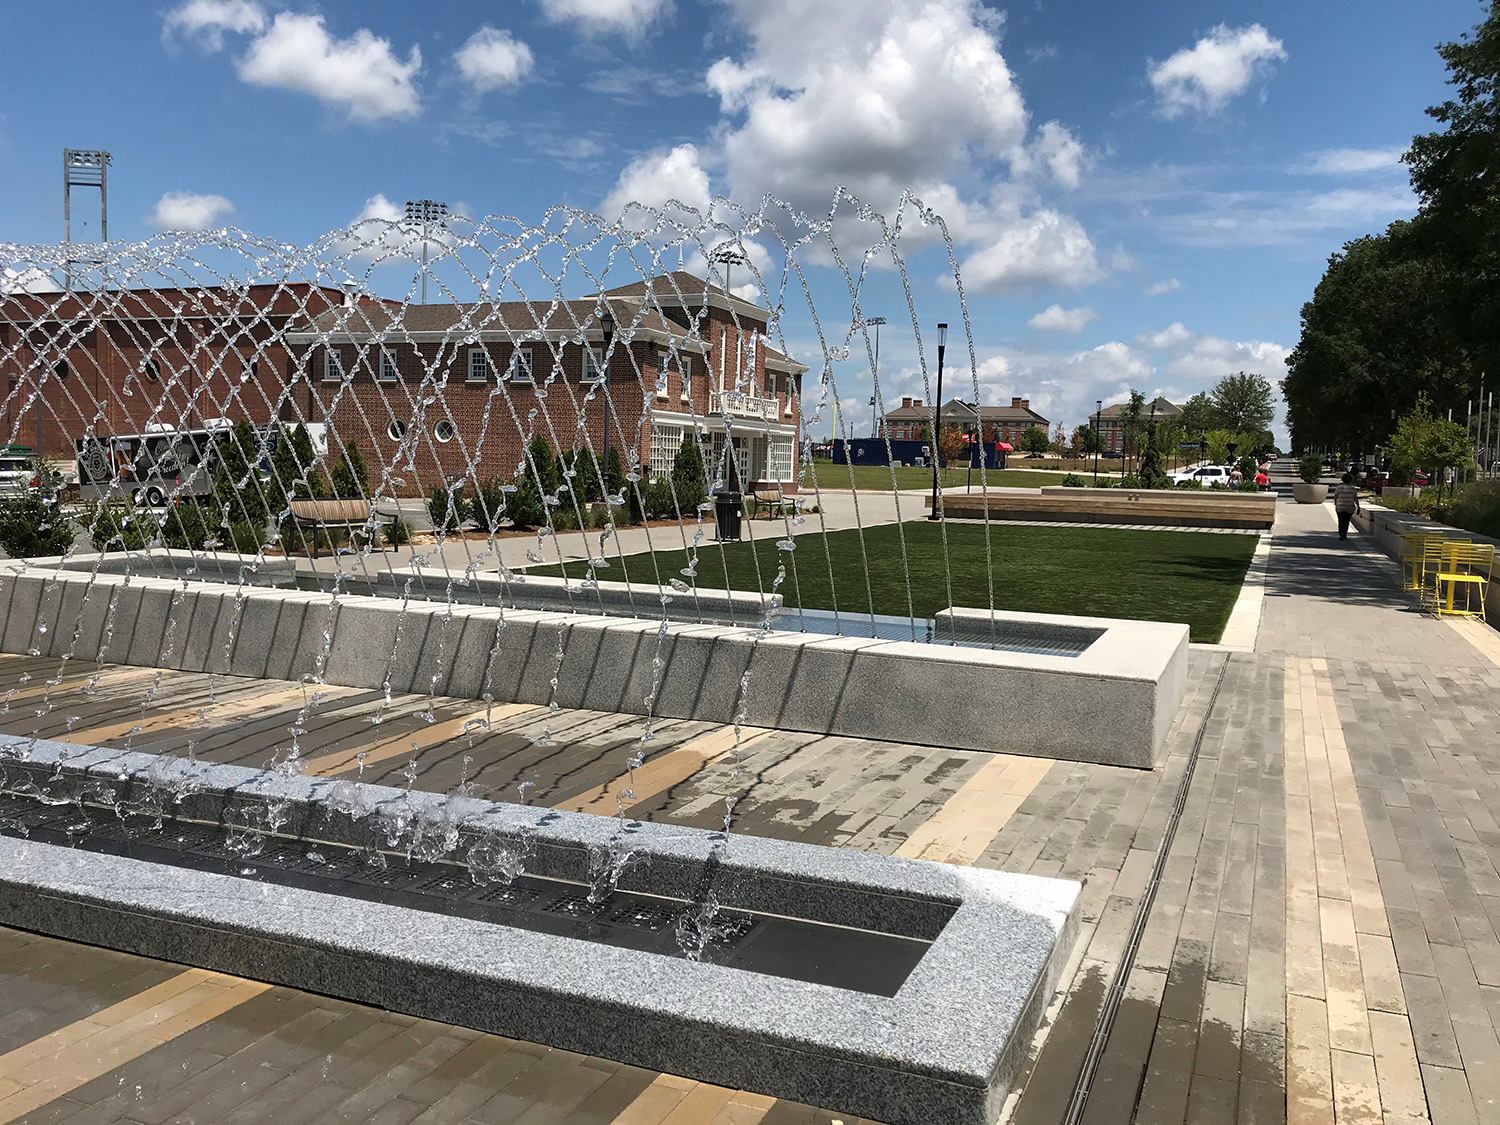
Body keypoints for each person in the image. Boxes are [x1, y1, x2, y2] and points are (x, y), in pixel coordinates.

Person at [1332, 471, 1361, 540]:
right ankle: (1344, 534)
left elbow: (1336, 496)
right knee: (1347, 520)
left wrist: (1336, 503)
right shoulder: (1353, 488)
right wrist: (1358, 506)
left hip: (1340, 506)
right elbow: (1355, 498)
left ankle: (1341, 533)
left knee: (1341, 520)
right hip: (1349, 506)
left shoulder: (1339, 487)